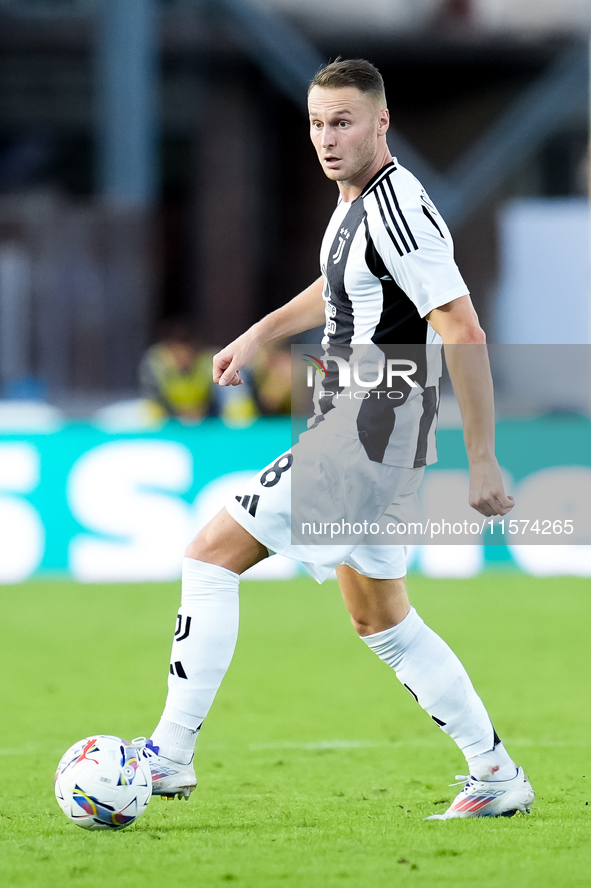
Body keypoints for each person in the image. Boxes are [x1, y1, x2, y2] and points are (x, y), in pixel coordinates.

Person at [136, 59, 535, 820]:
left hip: (367, 426)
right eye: (317, 123)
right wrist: (259, 332)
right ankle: (494, 773)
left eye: (343, 122)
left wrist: (482, 455)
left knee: (209, 555)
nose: (327, 137)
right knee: (381, 621)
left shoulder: (399, 208)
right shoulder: (356, 202)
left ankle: (168, 754)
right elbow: (337, 283)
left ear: (380, 123)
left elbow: (460, 325)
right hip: (368, 429)